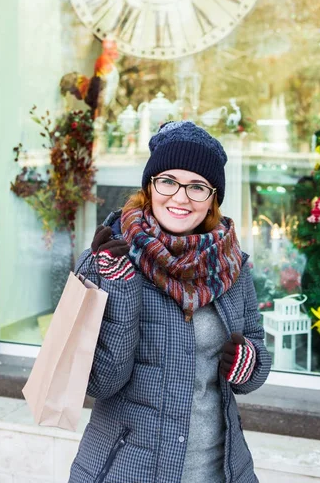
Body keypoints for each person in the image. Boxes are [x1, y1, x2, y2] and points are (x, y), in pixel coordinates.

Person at [69, 121, 271, 483]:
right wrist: (121, 289)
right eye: (168, 181)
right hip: (129, 471)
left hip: (220, 471)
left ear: (212, 198)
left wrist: (248, 362)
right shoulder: (107, 258)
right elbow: (99, 382)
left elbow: (256, 351)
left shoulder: (231, 265)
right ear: (150, 186)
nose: (180, 198)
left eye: (197, 187)